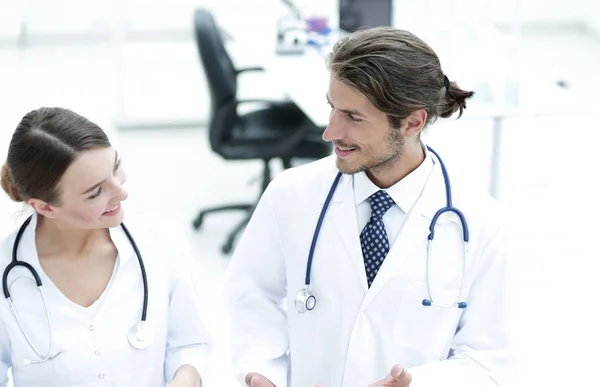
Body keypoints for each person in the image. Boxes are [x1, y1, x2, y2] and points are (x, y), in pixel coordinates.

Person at [225, 26, 514, 387]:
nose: (329, 132)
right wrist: (262, 372)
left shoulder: (482, 223)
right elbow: (252, 294)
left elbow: (489, 359)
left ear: (412, 121)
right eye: (333, 109)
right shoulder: (290, 194)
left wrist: (417, 384)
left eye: (354, 117)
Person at [0, 107, 213, 386]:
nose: (122, 192)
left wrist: (184, 379)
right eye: (96, 191)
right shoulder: (7, 269)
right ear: (45, 206)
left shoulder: (162, 245)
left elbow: (189, 343)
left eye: (115, 167)